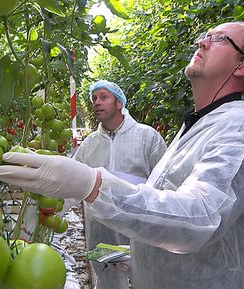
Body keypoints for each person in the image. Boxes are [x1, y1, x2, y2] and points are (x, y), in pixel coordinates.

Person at [0, 21, 244, 289]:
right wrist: (140, 254)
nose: (202, 42)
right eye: (204, 36)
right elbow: (165, 202)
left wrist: (93, 185)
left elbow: (201, 218)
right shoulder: (198, 125)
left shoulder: (239, 130)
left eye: (219, 39)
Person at [72, 80, 166, 289]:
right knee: (108, 281)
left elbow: (165, 184)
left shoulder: (147, 137)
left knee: (148, 279)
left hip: (139, 230)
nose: (97, 102)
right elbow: (73, 183)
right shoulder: (89, 145)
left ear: (119, 103)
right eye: (94, 98)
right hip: (100, 231)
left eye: (103, 97)